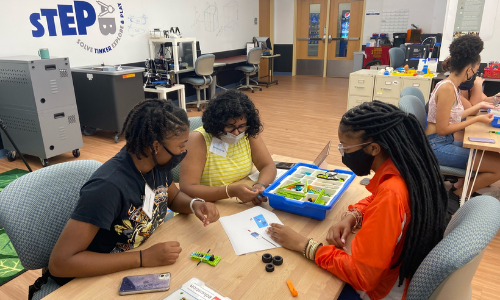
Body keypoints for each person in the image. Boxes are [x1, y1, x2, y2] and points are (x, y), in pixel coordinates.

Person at [267, 101, 448, 300]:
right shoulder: (408, 170)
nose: (343, 152)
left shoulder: (392, 194)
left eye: (345, 147)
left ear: (373, 148)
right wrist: (353, 216)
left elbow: (363, 277)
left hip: (380, 292)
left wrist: (304, 244)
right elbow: (376, 199)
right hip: (396, 274)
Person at [48, 100, 220, 283]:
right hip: (93, 276)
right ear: (156, 146)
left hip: (139, 254)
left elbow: (173, 197)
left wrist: (195, 204)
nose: (184, 151)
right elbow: (60, 264)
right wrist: (143, 258)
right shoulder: (107, 188)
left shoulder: (155, 163)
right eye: (181, 145)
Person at [425, 35, 500, 213]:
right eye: (475, 70)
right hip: (436, 145)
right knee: (497, 167)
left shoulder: (452, 85)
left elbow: (454, 116)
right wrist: (477, 118)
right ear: (468, 69)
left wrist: (480, 106)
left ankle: (461, 190)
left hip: (443, 142)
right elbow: (443, 129)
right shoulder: (447, 88)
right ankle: (455, 197)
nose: (475, 74)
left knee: (492, 158)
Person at [180, 90, 277, 204]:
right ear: (217, 123)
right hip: (206, 206)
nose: (236, 133)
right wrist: (230, 191)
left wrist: (260, 185)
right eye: (230, 126)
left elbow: (268, 165)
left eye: (241, 126)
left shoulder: (247, 133)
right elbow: (187, 188)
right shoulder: (197, 139)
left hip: (236, 204)